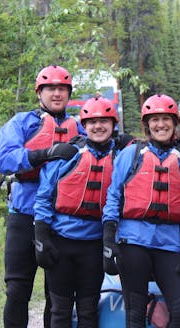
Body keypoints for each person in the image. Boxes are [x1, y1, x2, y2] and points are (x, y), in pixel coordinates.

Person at [0, 65, 85, 327]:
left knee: (57, 295)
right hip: (23, 215)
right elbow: (4, 161)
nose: (57, 94)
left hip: (60, 220)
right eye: (51, 89)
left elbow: (104, 149)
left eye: (62, 89)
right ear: (39, 93)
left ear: (68, 94)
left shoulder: (79, 127)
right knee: (17, 290)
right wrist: (43, 154)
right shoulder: (22, 122)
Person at [33, 96, 134, 327]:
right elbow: (44, 197)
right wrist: (41, 236)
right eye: (92, 122)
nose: (98, 127)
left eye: (104, 121)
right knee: (60, 310)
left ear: (113, 124)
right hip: (61, 243)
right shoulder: (69, 154)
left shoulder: (122, 157)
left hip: (94, 245)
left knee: (88, 311)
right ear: (84, 125)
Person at [102, 93, 180, 328]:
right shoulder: (131, 154)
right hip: (133, 241)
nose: (160, 124)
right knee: (135, 312)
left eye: (166, 119)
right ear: (147, 125)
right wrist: (109, 235)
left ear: (174, 124)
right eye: (155, 120)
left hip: (169, 243)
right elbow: (114, 194)